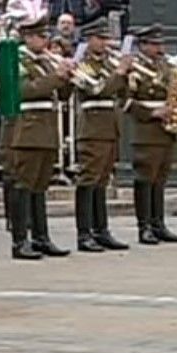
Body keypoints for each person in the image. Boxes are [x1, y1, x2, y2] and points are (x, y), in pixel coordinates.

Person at [9, 16, 72, 259]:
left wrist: (67, 77)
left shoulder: (44, 61)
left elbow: (61, 94)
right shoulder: (17, 59)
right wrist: (56, 76)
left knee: (40, 186)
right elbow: (25, 90)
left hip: (46, 129)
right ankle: (20, 240)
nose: (46, 41)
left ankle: (41, 236)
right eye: (41, 36)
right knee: (24, 185)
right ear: (27, 37)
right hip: (28, 129)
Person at [123, 24, 177, 244]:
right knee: (145, 179)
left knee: (160, 179)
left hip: (165, 129)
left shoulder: (166, 66)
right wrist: (153, 112)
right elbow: (127, 101)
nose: (159, 49)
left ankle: (159, 223)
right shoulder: (134, 68)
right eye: (154, 44)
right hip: (146, 129)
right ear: (143, 45)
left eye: (160, 44)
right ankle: (144, 226)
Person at [72, 18, 130, 251]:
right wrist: (119, 73)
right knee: (88, 179)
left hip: (109, 126)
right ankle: (84, 233)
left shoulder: (108, 63)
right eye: (100, 38)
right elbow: (97, 89)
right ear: (89, 39)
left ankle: (101, 229)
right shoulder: (82, 64)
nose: (105, 43)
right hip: (92, 127)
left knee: (102, 180)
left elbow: (121, 91)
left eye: (106, 38)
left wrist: (127, 76)